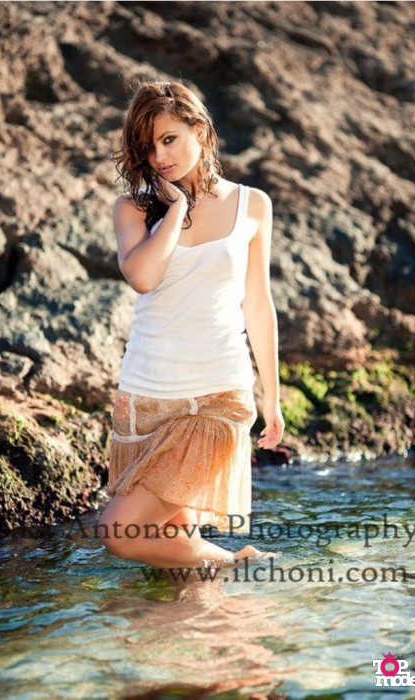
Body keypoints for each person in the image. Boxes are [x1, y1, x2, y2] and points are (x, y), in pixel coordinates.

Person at [97, 80, 284, 570]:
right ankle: (227, 599)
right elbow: (142, 276)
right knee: (176, 554)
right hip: (144, 399)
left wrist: (272, 396)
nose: (160, 156)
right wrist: (177, 208)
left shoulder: (252, 204)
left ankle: (239, 564)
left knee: (119, 532)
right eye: (149, 147)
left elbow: (258, 303)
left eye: (169, 139)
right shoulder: (134, 209)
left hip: (217, 392)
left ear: (199, 130)